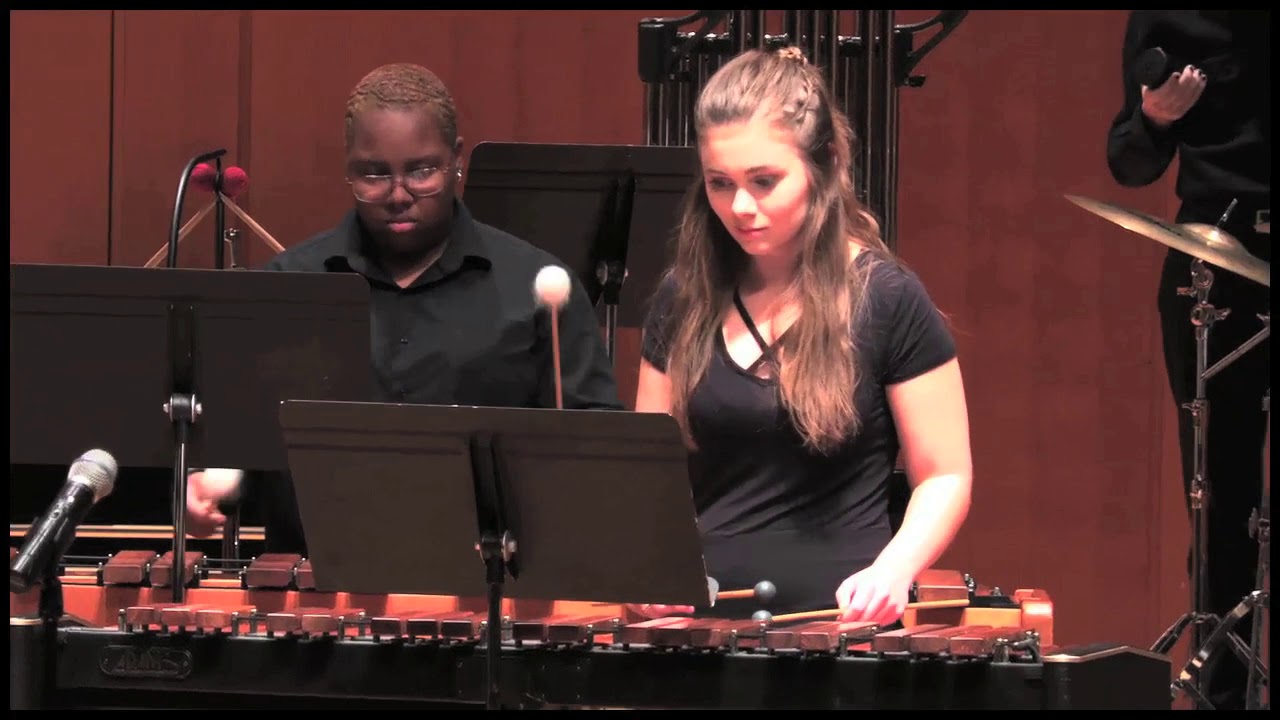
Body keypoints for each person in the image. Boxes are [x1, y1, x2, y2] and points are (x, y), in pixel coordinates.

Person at [185, 62, 623, 554]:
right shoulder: (290, 287)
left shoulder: (536, 288)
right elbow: (245, 427)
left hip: (485, 590)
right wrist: (221, 479)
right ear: (348, 168)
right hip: (318, 585)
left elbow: (596, 444)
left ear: (456, 160)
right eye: (373, 175)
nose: (398, 194)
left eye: (421, 171)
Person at [633, 46, 973, 627]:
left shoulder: (886, 298)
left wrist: (894, 569)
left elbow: (945, 473)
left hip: (839, 629)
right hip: (701, 624)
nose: (740, 207)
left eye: (764, 181)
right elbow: (649, 476)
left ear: (826, 165)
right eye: (720, 183)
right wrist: (646, 567)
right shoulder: (681, 298)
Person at [1106, 11, 1269, 711]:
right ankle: (1223, 690)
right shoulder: (1169, 17)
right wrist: (1153, 116)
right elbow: (1129, 162)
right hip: (1217, 253)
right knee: (1222, 492)